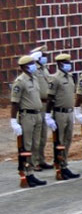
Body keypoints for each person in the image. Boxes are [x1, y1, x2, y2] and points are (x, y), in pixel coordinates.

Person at [10, 56, 47, 188]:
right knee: (26, 145)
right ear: (24, 66)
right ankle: (25, 174)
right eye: (31, 64)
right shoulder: (20, 82)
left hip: (37, 115)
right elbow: (15, 102)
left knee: (35, 145)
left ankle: (31, 173)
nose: (34, 66)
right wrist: (13, 121)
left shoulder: (34, 79)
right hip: (27, 116)